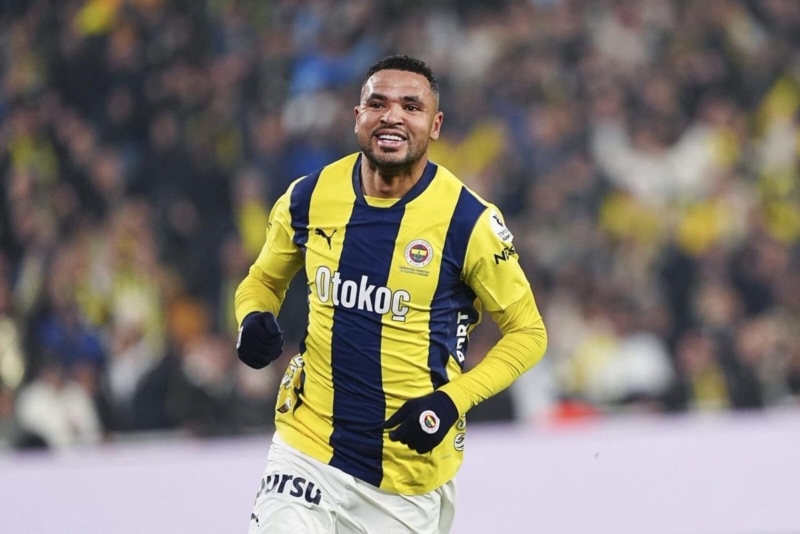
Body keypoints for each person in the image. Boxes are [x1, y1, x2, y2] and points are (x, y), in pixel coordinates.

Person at [235, 54, 547, 534]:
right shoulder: (308, 197)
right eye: (377, 103)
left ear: (435, 125)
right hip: (306, 448)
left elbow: (528, 333)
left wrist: (452, 401)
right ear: (357, 116)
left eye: (411, 106)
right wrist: (254, 316)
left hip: (407, 477)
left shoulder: (469, 222)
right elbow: (263, 280)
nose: (392, 116)